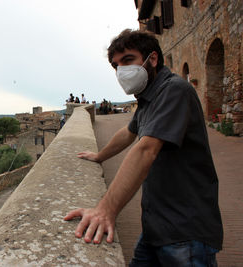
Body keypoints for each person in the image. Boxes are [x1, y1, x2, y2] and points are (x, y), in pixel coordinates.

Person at [64, 29, 223, 266]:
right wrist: (99, 156)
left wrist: (105, 210)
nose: (121, 71)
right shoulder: (149, 96)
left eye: (128, 60)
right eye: (116, 65)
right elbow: (129, 133)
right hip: (156, 227)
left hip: (186, 233)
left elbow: (146, 150)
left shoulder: (174, 90)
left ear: (153, 59)